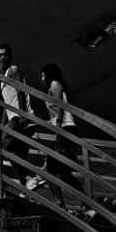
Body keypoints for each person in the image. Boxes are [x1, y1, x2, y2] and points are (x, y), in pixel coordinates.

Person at [40, 63, 96, 222]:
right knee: (64, 174)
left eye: (43, 74)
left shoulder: (55, 84)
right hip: (64, 132)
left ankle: (61, 208)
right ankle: (89, 207)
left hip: (66, 131)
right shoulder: (53, 86)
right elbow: (55, 112)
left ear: (49, 74)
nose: (41, 78)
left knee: (48, 171)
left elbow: (60, 105)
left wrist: (57, 124)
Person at [0, 43, 38, 191]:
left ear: (10, 57)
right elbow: (6, 106)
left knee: (5, 145)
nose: (3, 57)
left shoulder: (13, 70)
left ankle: (29, 177)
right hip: (16, 118)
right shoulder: (2, 80)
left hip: (21, 118)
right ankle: (26, 187)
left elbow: (20, 91)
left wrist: (23, 115)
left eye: (5, 54)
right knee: (18, 155)